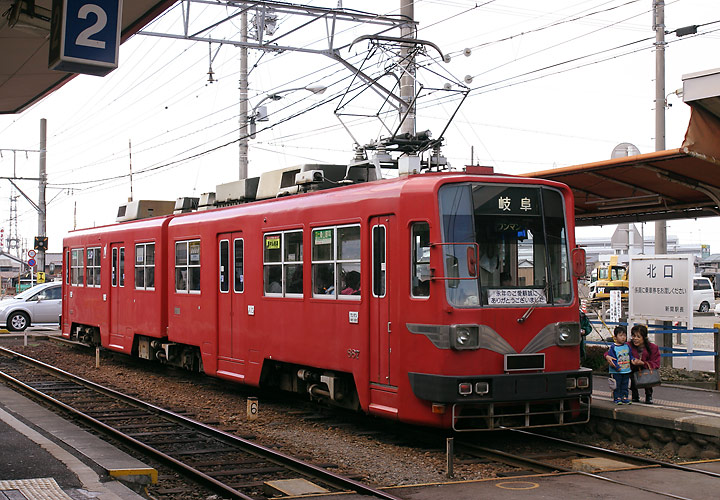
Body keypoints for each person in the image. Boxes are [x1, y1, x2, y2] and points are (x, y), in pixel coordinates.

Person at [629, 324, 661, 404]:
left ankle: (649, 395)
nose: (635, 339)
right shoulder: (628, 345)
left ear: (644, 337)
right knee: (632, 374)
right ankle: (634, 394)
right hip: (632, 369)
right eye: (633, 336)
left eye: (638, 337)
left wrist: (643, 363)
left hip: (646, 369)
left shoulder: (653, 347)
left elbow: (656, 363)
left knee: (647, 374)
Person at [604, 325, 634, 405]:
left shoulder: (627, 346)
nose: (623, 337)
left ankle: (624, 397)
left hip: (626, 370)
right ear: (615, 337)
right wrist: (617, 367)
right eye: (620, 335)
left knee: (625, 384)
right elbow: (612, 359)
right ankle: (617, 397)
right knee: (617, 385)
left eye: (624, 335)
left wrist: (633, 360)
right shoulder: (613, 347)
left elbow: (630, 355)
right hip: (616, 371)